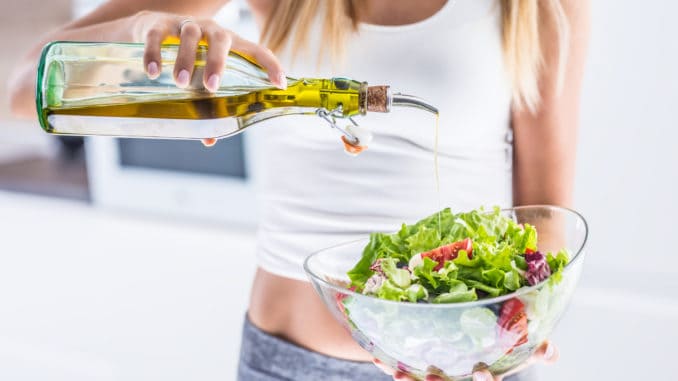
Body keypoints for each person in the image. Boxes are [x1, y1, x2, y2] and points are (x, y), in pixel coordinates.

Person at [8, 0, 590, 380]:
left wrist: (509, 336)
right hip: (289, 365)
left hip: (463, 370)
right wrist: (139, 36)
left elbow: (543, 214)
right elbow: (20, 90)